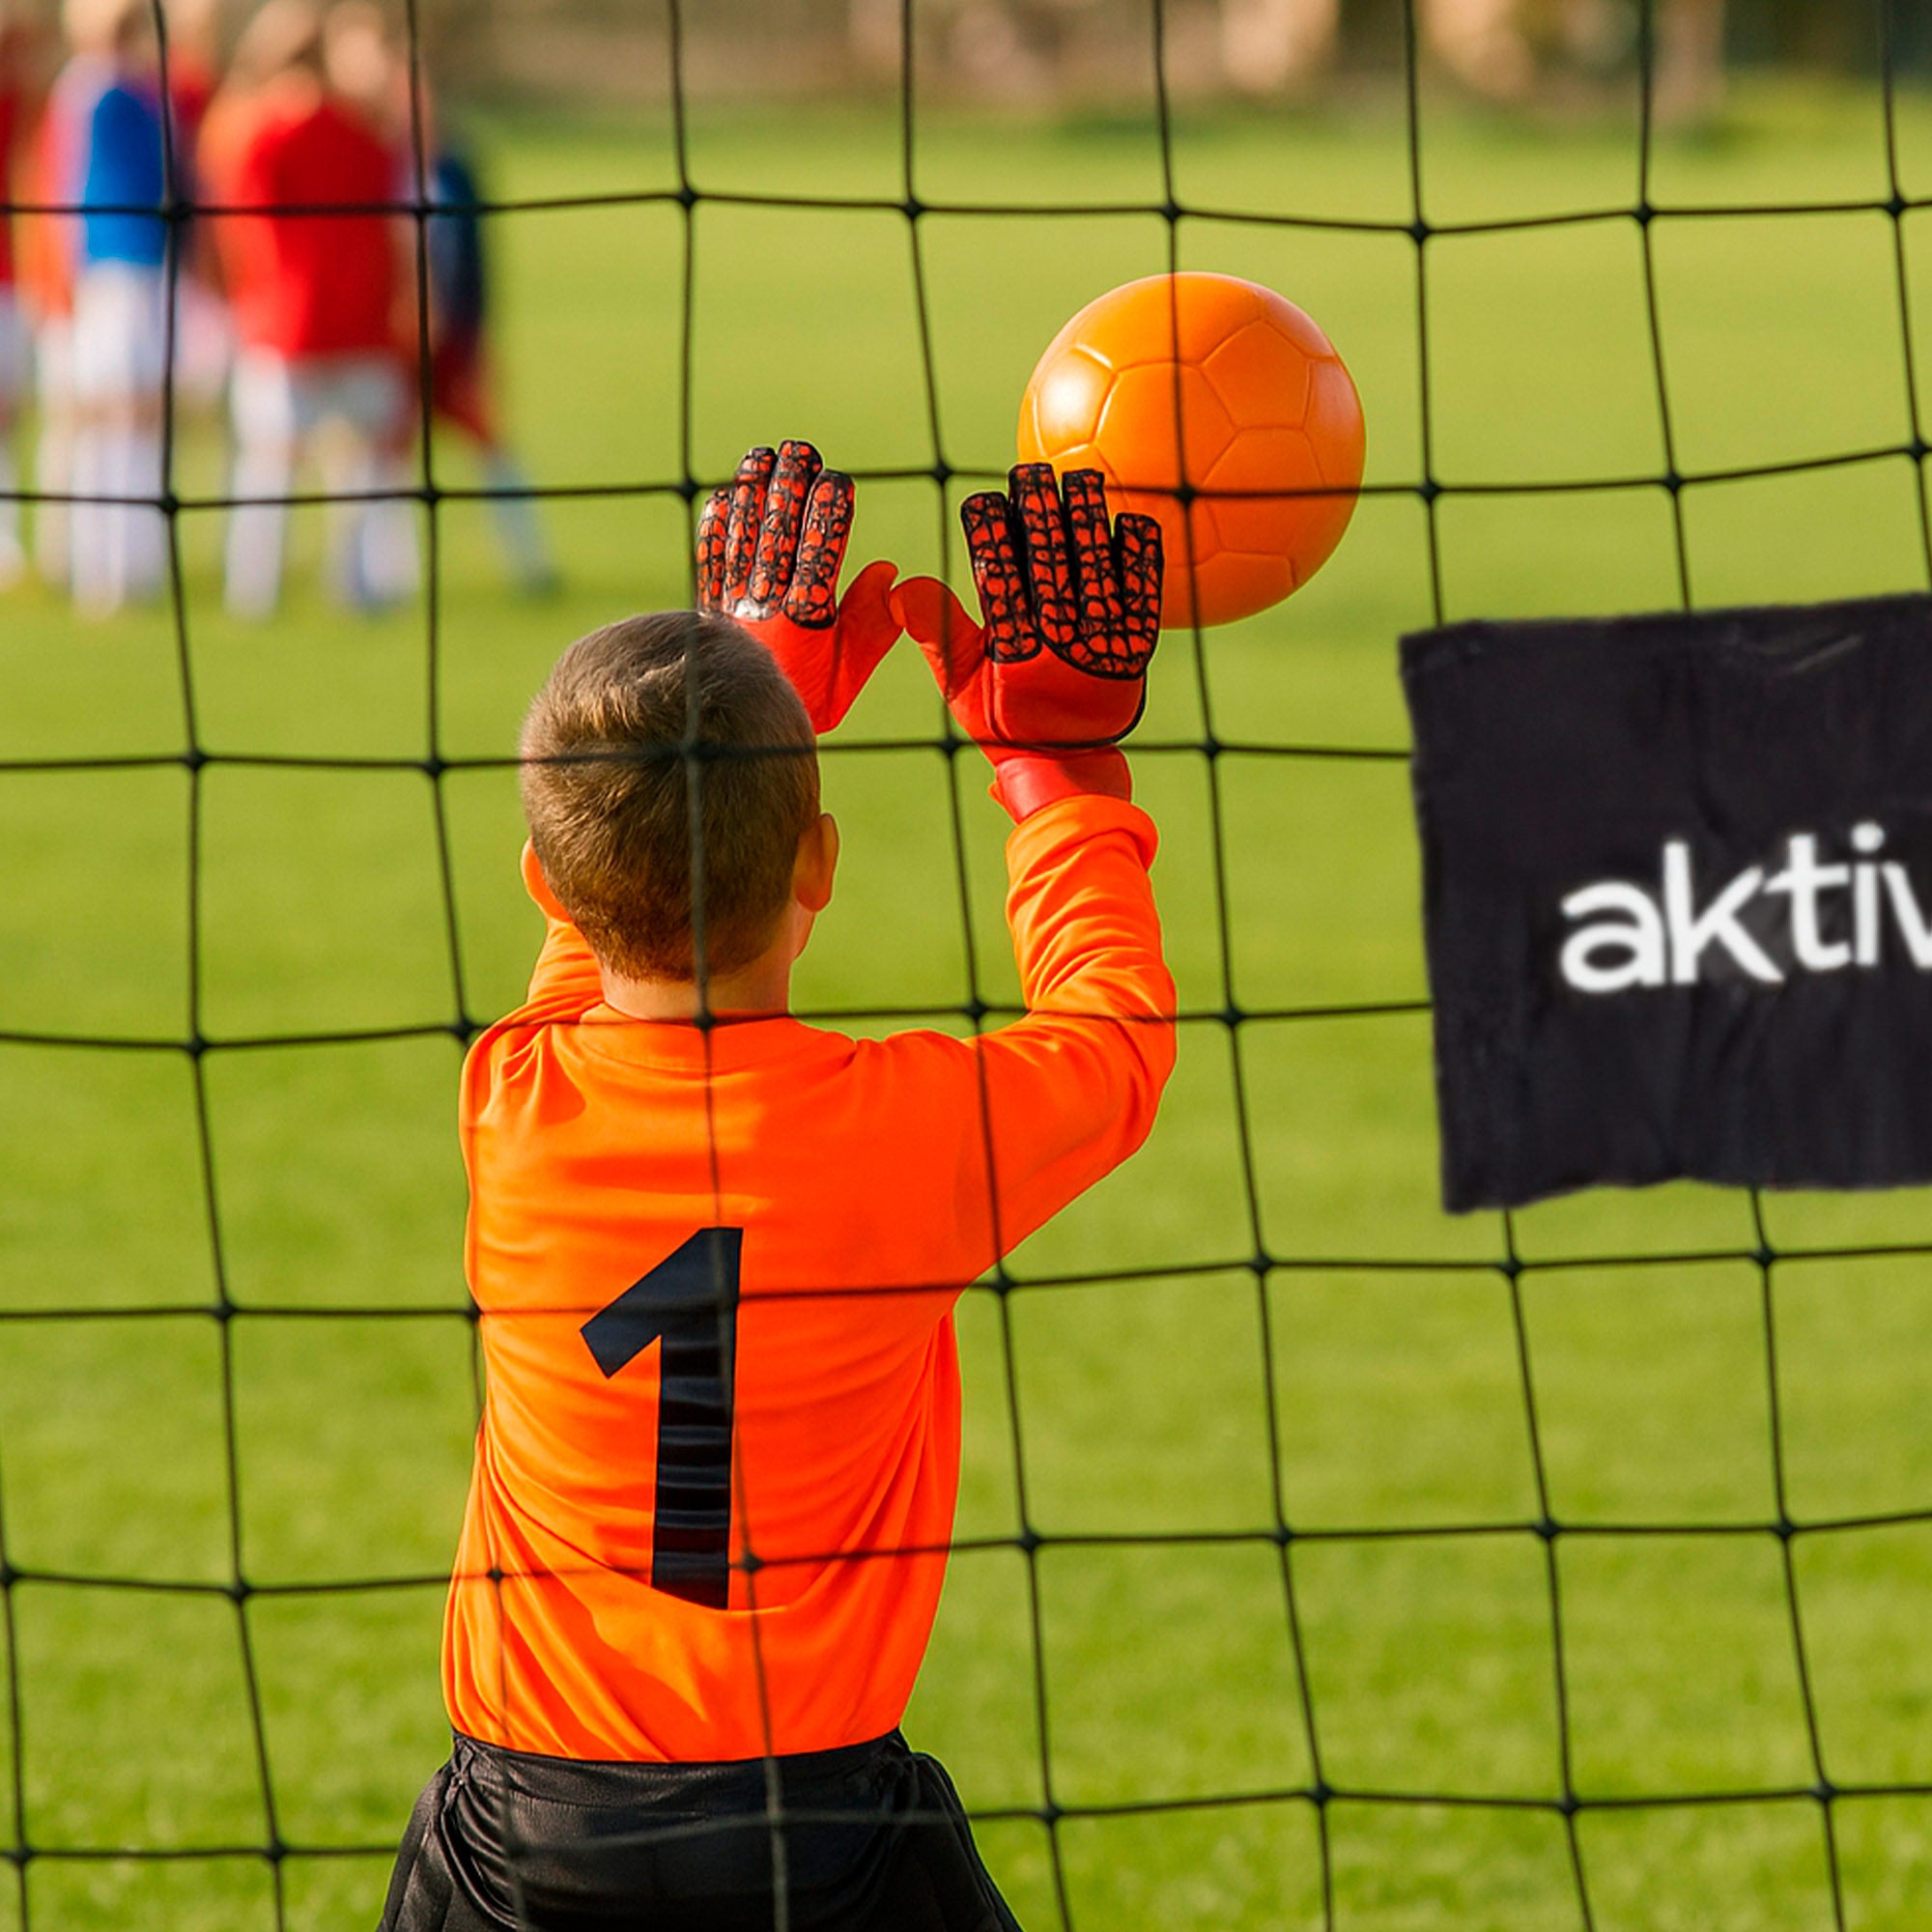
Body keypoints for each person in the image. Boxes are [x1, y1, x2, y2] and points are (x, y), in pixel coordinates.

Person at [379, 445, 1174, 1930]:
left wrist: (749, 701)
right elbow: (1115, 1042)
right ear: (819, 862)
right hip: (822, 1843)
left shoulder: (514, 1103)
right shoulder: (917, 1135)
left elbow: (596, 936)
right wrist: (1056, 776)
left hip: (524, 1843)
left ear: (548, 887)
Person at [323, 0, 557, 594]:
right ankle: (381, 581)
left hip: (452, 338)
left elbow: (477, 259)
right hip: (389, 340)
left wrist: (472, 333)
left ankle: (531, 566)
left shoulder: (456, 168)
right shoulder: (370, 161)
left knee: (491, 444)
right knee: (379, 458)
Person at [220, 0, 415, 617]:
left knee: (269, 466)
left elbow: (243, 234)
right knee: (360, 466)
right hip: (360, 324)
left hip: (288, 326)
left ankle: (253, 593)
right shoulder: (366, 136)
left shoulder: (261, 133)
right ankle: (355, 588)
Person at [68, 0, 168, 614]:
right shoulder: (105, 97)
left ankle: (125, 565)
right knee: (119, 414)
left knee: (127, 417)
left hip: (124, 265)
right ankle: (107, 570)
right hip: (119, 265)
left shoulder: (115, 94)